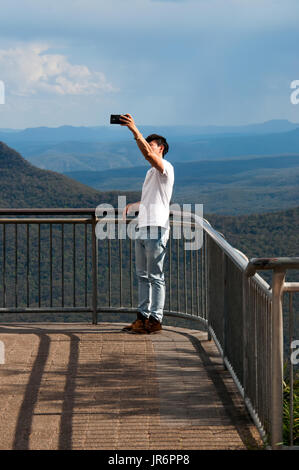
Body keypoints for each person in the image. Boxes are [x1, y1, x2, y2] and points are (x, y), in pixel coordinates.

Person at [119, 114, 174, 334]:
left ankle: (156, 320)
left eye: (152, 145)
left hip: (157, 228)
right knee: (142, 275)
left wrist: (134, 130)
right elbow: (152, 199)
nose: (149, 148)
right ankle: (142, 318)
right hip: (143, 227)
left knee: (155, 276)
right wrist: (133, 206)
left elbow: (147, 154)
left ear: (160, 148)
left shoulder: (165, 168)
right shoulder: (151, 172)